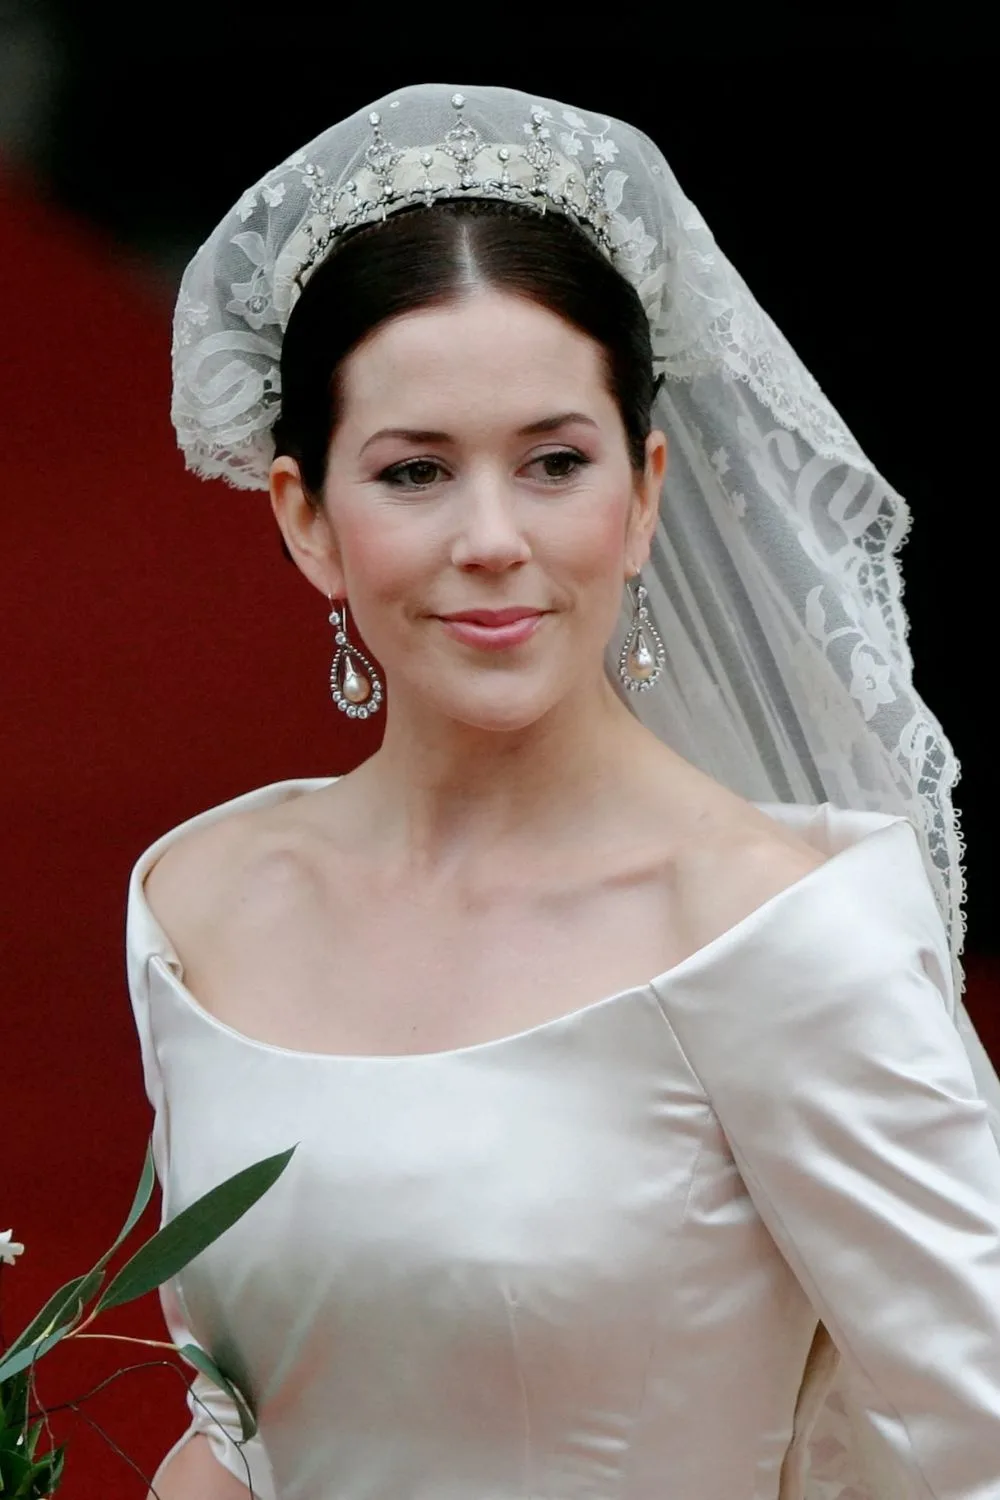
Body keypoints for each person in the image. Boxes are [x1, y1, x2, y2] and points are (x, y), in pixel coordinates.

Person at [127, 84, 1000, 1499]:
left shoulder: (780, 936)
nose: (491, 537)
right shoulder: (203, 904)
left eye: (554, 464)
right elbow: (236, 1427)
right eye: (415, 471)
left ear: (644, 493)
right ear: (306, 517)